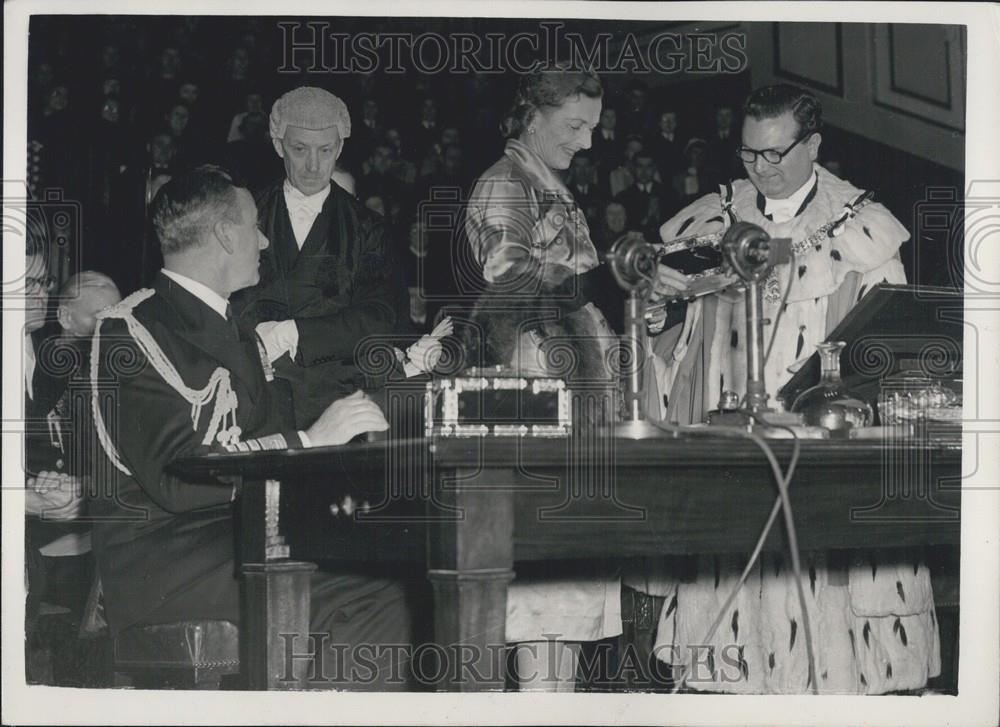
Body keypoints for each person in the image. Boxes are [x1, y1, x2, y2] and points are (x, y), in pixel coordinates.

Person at [626, 84, 937, 695]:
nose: (761, 170)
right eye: (748, 155)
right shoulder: (714, 218)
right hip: (732, 458)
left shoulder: (862, 227)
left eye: (776, 154)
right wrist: (656, 308)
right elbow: (672, 349)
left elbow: (892, 350)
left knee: (828, 662)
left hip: (823, 463)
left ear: (813, 144)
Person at [89, 166, 412, 689]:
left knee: (394, 563)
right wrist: (309, 440)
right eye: (255, 226)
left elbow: (279, 440)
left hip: (239, 535)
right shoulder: (131, 331)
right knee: (370, 591)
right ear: (223, 234)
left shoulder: (232, 328)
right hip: (167, 559)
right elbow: (178, 479)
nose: (264, 239)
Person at [463, 63, 622, 691]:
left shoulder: (549, 186)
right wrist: (604, 279)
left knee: (561, 615)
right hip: (532, 407)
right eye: (575, 125)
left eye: (593, 128)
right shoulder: (506, 184)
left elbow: (575, 295)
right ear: (533, 114)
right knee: (537, 606)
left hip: (572, 408)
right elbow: (512, 283)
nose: (587, 142)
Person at [230, 87, 406, 429]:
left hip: (336, 407)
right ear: (279, 145)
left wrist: (296, 333)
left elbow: (380, 318)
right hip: (254, 403)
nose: (313, 166)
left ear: (340, 147)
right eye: (300, 150)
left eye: (325, 151)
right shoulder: (246, 214)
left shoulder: (368, 227)